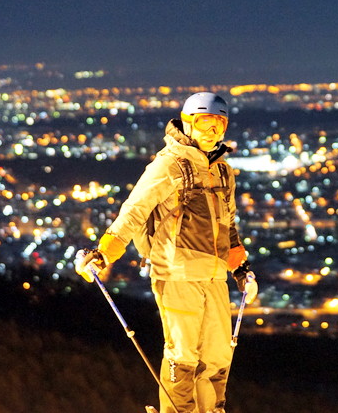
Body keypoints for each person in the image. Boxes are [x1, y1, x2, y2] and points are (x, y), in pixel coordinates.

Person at [75, 92, 257, 413]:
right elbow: (134, 212)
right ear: (188, 123)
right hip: (176, 273)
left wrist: (240, 270)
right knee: (183, 355)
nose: (211, 131)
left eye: (218, 124)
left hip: (214, 276)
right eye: (204, 122)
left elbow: (227, 226)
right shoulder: (169, 164)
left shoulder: (223, 171)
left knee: (216, 356)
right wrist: (103, 254)